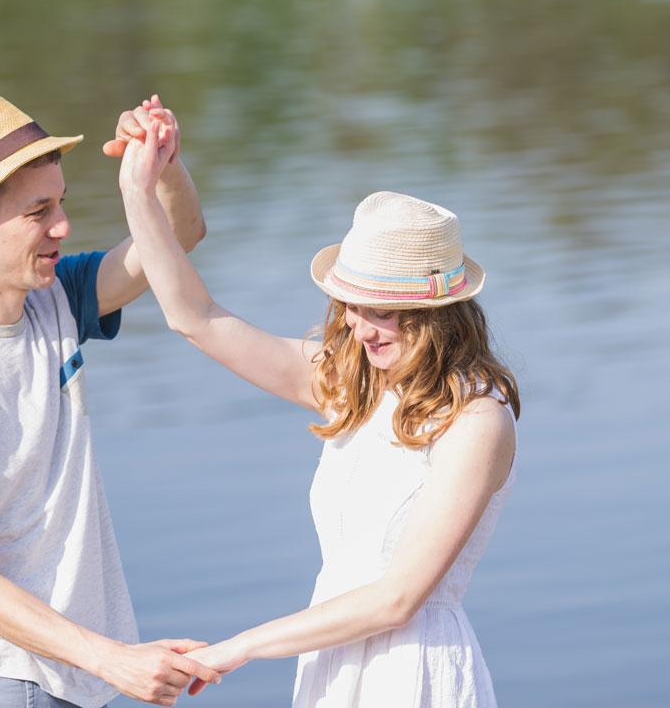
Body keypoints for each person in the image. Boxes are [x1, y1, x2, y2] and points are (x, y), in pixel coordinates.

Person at [117, 121, 520, 706]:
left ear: (433, 313)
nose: (356, 326)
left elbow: (396, 600)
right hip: (331, 662)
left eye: (378, 309)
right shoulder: (352, 383)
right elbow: (195, 317)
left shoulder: (476, 421)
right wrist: (140, 188)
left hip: (412, 674)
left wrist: (234, 649)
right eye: (348, 304)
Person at [0, 95, 222, 708]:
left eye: (60, 203)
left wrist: (162, 162)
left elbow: (179, 235)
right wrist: (114, 659)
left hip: (80, 676)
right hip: (0, 684)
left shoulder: (55, 298)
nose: (62, 227)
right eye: (38, 212)